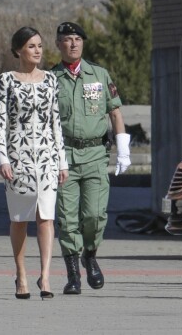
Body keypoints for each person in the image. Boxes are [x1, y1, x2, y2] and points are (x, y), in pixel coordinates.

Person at [0, 26, 69, 299]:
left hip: (46, 158)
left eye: (40, 46)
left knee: (46, 218)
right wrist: (2, 158)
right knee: (20, 219)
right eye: (32, 46)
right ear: (19, 50)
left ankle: (45, 277)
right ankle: (21, 273)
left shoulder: (50, 80)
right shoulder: (6, 80)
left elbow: (55, 123)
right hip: (18, 158)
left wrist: (62, 161)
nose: (38, 51)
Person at [51, 22, 130, 295]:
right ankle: (73, 274)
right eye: (67, 39)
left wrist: (123, 149)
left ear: (83, 43)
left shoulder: (99, 74)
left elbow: (115, 112)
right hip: (64, 157)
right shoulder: (51, 79)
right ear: (58, 44)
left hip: (96, 154)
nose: (73, 44)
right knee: (67, 218)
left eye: (77, 39)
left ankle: (91, 255)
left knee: (95, 215)